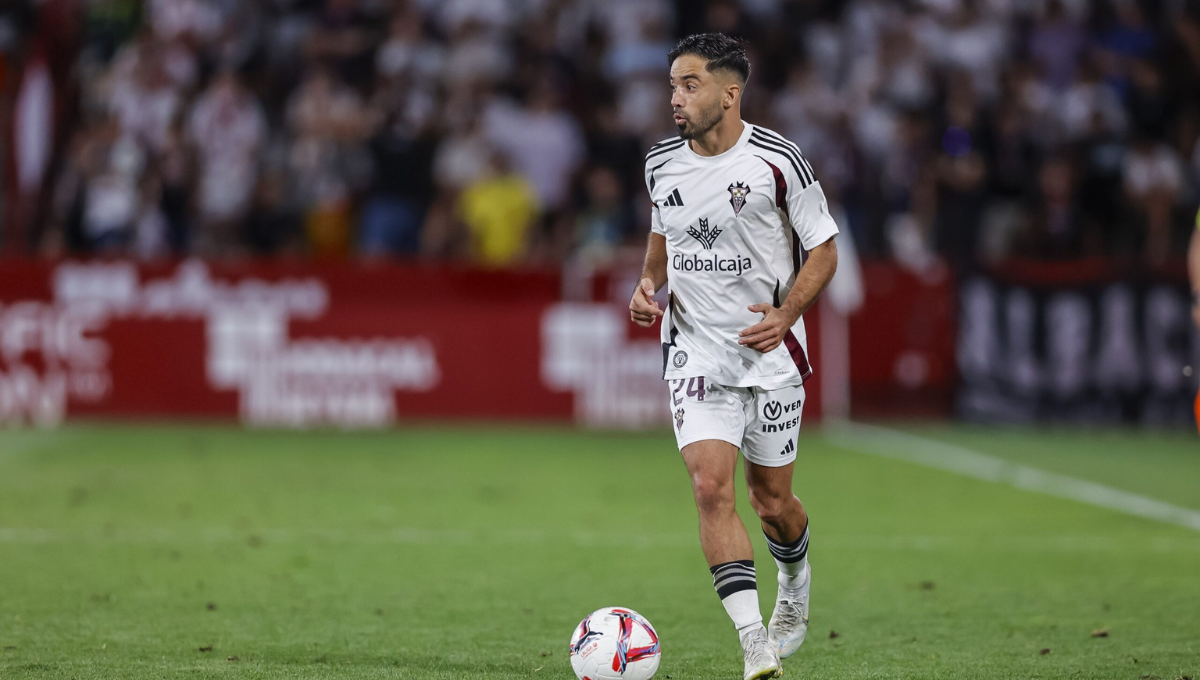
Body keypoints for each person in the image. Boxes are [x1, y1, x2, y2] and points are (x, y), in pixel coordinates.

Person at [628, 34, 838, 680]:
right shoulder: (660, 163)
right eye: (672, 85)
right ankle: (753, 643)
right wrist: (646, 284)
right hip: (694, 353)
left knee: (772, 502)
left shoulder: (779, 160)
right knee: (710, 489)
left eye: (689, 85)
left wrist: (787, 314)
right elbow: (663, 235)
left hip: (769, 355)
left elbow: (824, 249)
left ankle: (794, 579)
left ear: (729, 93)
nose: (675, 98)